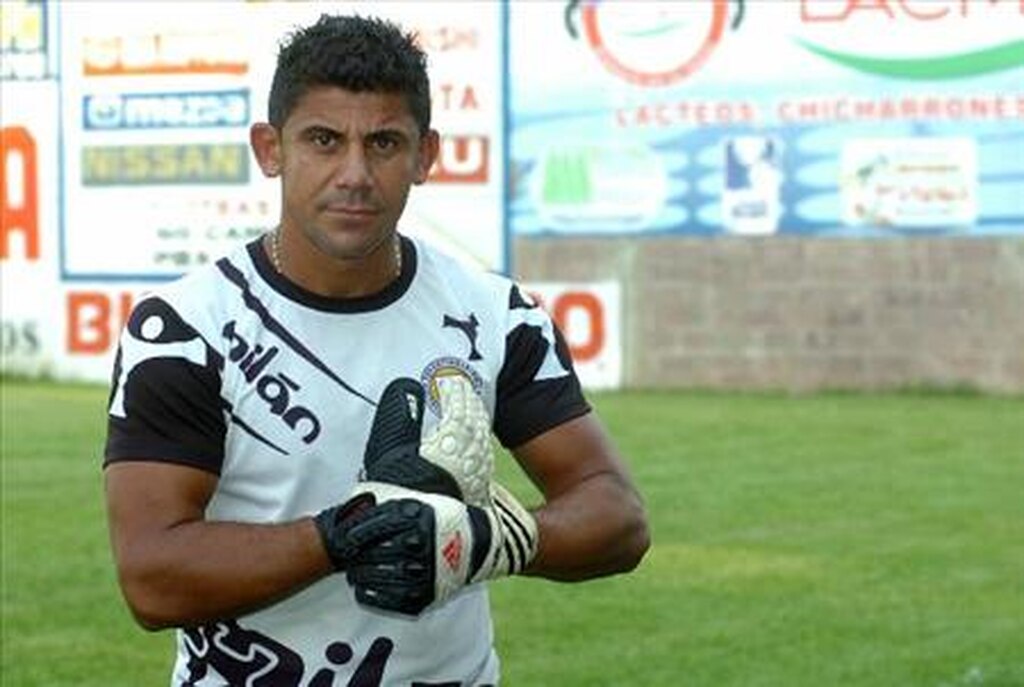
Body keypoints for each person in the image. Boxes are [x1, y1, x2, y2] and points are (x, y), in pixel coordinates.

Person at [103, 13, 649, 687]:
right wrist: (344, 533)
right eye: (324, 140)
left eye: (385, 142)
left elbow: (618, 514)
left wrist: (483, 541)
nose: (355, 173)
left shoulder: (495, 313)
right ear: (271, 149)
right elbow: (152, 579)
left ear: (426, 156)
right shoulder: (186, 328)